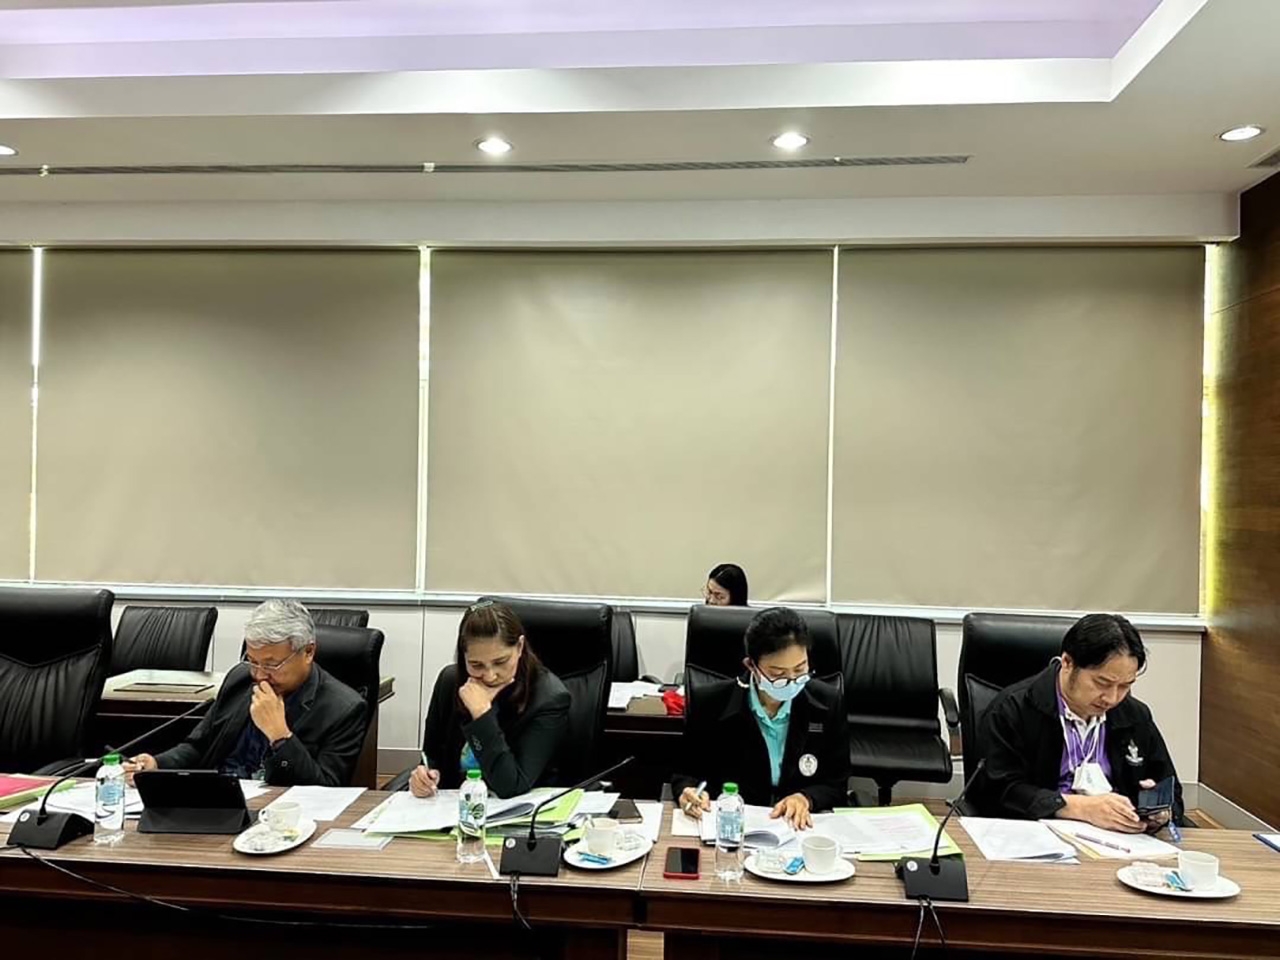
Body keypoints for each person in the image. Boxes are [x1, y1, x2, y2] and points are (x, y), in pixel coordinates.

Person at [972, 613, 1184, 833]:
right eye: (1102, 683)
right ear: (1067, 662)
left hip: (1120, 838)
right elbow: (997, 791)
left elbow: (1171, 791)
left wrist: (1161, 812)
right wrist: (1078, 807)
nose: (1112, 698)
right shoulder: (1012, 710)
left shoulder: (1134, 715)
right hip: (1038, 835)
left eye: (1125, 686)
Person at [126, 599, 366, 787]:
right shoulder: (240, 679)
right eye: (252, 661)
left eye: (272, 664)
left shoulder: (343, 708)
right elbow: (198, 746)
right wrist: (158, 764)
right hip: (218, 802)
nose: (259, 675)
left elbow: (326, 788)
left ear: (308, 652)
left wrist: (281, 737)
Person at [672, 607, 849, 829]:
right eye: (777, 674)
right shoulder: (711, 703)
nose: (791, 681)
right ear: (751, 666)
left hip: (797, 828)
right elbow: (686, 774)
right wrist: (687, 792)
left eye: (800, 669)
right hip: (731, 825)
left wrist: (806, 798)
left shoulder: (828, 702)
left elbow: (836, 783)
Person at [409, 600, 570, 799]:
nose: (490, 675)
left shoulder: (549, 698)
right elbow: (431, 757)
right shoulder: (449, 682)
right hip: (454, 805)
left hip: (518, 808)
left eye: (500, 662)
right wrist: (424, 777)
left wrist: (481, 715)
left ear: (519, 647)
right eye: (476, 665)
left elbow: (512, 786)